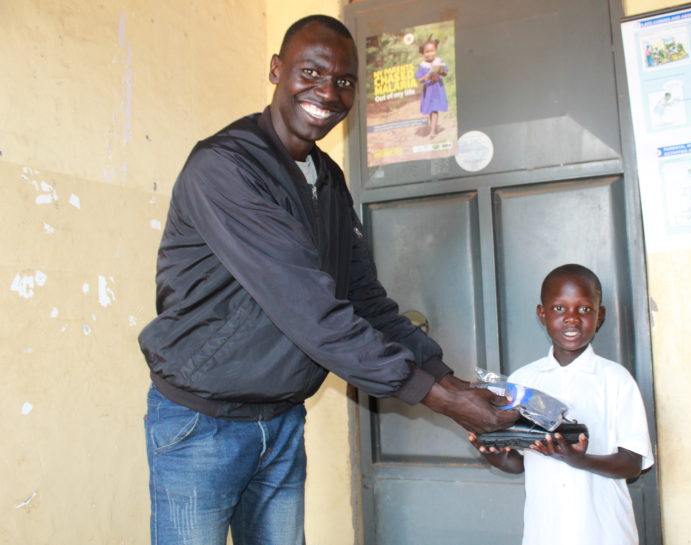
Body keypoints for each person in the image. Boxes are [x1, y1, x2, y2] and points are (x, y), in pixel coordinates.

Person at [138, 14, 517, 545]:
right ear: (276, 70)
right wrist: (440, 399)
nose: (328, 92)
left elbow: (363, 299)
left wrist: (451, 385)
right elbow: (310, 309)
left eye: (344, 81)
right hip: (202, 424)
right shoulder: (225, 167)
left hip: (282, 419)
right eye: (311, 72)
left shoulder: (327, 179)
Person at [469, 264, 654, 545]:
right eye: (559, 309)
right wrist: (495, 455)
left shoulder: (615, 379)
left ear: (599, 316)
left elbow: (632, 464)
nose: (571, 319)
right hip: (545, 531)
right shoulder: (522, 382)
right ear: (541, 314)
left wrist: (580, 459)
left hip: (604, 532)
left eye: (584, 309)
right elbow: (521, 463)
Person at [414, 35, 449, 137]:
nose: (430, 54)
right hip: (428, 90)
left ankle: (433, 130)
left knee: (434, 109)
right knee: (430, 109)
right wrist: (426, 77)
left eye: (432, 51)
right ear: (423, 54)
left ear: (436, 51)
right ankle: (433, 127)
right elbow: (419, 79)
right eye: (427, 52)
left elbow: (445, 73)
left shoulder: (439, 61)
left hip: (437, 88)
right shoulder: (422, 65)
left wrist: (442, 71)